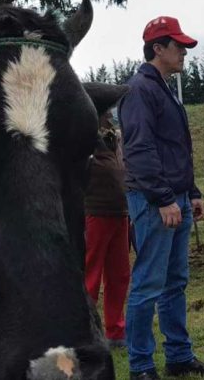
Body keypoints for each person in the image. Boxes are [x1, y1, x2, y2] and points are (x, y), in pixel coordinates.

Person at [118, 16, 204, 380]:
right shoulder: (139, 90)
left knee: (175, 281)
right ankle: (141, 366)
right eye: (178, 46)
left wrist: (190, 193)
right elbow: (139, 150)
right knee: (148, 283)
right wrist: (165, 198)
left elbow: (177, 150)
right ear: (157, 49)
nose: (184, 52)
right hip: (153, 201)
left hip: (173, 197)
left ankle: (179, 356)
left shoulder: (163, 89)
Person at [83, 110, 130, 349]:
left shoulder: (113, 135)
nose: (110, 113)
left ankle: (115, 331)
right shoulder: (82, 133)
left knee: (119, 275)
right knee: (91, 275)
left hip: (120, 211)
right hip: (95, 212)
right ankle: (87, 333)